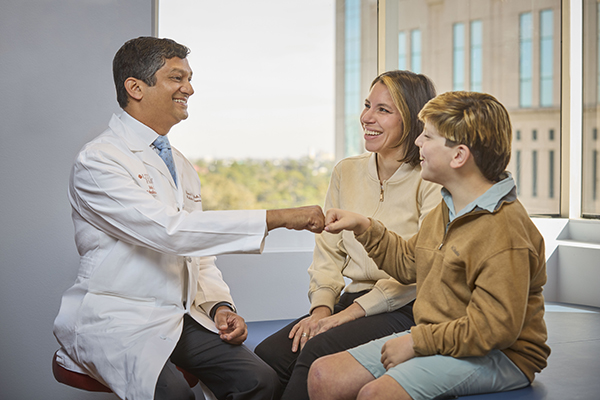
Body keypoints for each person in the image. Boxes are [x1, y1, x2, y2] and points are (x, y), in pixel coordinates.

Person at [52, 36, 325, 400]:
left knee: (259, 379)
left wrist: (219, 305)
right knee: (176, 395)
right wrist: (275, 218)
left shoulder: (179, 163)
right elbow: (170, 232)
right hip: (118, 316)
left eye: (189, 78)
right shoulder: (99, 160)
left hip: (177, 317)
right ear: (135, 87)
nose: (190, 89)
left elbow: (196, 252)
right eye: (177, 78)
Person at [307, 91, 551, 400]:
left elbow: (494, 329)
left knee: (376, 395)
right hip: (441, 337)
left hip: (503, 355)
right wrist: (364, 226)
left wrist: (415, 342)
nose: (418, 143)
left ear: (458, 156)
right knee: (323, 376)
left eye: (428, 137)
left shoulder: (505, 232)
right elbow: (410, 263)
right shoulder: (448, 209)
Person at [254, 70, 440, 400]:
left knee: (317, 353)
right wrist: (322, 310)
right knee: (270, 356)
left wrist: (345, 317)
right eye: (368, 105)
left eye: (383, 110)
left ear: (411, 119)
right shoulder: (346, 171)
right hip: (350, 301)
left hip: (406, 309)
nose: (367, 117)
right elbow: (328, 253)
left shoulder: (431, 179)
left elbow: (421, 270)